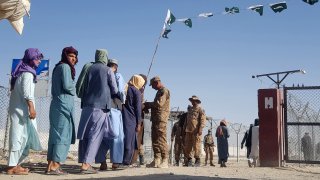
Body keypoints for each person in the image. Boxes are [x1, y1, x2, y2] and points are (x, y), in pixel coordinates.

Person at [77, 49, 118, 174]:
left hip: (86, 106)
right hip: (100, 106)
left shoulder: (88, 67)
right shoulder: (107, 70)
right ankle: (86, 164)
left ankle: (83, 160)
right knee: (95, 135)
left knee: (85, 135)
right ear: (105, 57)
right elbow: (115, 89)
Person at [7, 48, 43, 175]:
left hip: (19, 109)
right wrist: (31, 108)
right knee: (19, 137)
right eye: (37, 58)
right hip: (21, 110)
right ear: (31, 59)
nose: (39, 61)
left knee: (23, 137)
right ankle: (12, 167)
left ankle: (15, 164)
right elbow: (27, 93)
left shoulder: (23, 72)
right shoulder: (27, 74)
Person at [46, 47, 78, 175]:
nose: (73, 59)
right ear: (65, 56)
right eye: (71, 56)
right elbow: (67, 86)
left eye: (75, 57)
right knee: (63, 134)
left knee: (55, 135)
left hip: (57, 103)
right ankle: (55, 166)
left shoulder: (57, 67)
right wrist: (74, 88)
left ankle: (50, 165)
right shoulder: (65, 67)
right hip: (64, 104)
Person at [98, 58, 126, 171]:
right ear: (116, 66)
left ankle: (102, 162)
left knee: (101, 135)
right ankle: (115, 162)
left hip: (101, 107)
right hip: (114, 107)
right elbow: (120, 91)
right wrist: (123, 101)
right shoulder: (118, 75)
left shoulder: (101, 74)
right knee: (116, 135)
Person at [144, 76, 170, 168]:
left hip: (161, 119)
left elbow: (159, 104)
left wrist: (148, 104)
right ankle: (156, 160)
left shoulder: (164, 91)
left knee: (161, 139)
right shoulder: (159, 92)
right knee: (155, 139)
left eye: (152, 85)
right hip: (155, 119)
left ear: (157, 82)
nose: (152, 87)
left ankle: (165, 160)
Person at [122, 75, 145, 166]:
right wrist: (139, 123)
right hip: (131, 119)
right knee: (130, 140)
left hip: (123, 117)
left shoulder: (126, 88)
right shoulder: (136, 92)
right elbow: (138, 109)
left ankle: (120, 160)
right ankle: (127, 161)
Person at [183, 95, 206, 167]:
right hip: (188, 130)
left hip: (196, 131)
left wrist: (200, 129)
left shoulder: (200, 110)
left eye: (194, 100)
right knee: (188, 146)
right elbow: (187, 120)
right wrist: (184, 128)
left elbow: (203, 120)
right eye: (192, 100)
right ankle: (189, 160)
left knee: (196, 146)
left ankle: (197, 160)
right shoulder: (190, 110)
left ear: (197, 101)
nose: (192, 102)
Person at [131, 74, 147, 166]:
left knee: (139, 140)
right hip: (136, 118)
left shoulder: (139, 91)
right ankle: (134, 159)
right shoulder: (137, 91)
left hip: (139, 118)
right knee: (137, 139)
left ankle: (139, 159)